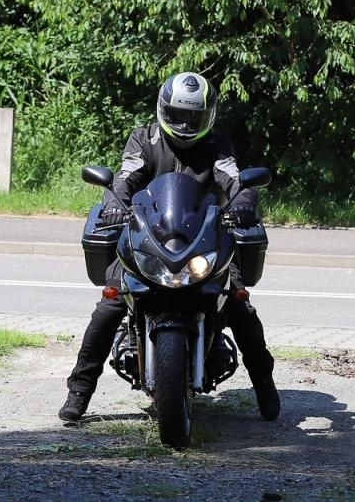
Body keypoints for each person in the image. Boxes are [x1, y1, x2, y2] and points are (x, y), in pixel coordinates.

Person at [59, 71, 279, 423]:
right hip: (149, 238)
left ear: (208, 115)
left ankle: (265, 386)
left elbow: (234, 178)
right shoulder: (143, 139)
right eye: (178, 114)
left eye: (194, 116)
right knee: (111, 302)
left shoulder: (217, 146)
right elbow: (125, 175)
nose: (185, 123)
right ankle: (79, 392)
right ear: (164, 110)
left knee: (238, 302)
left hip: (204, 238)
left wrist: (242, 201)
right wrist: (116, 202)